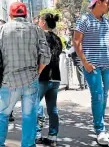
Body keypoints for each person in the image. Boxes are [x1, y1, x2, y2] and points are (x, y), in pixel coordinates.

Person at [0, 2, 51, 147]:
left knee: (2, 116)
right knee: (29, 117)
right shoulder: (36, 29)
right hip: (31, 80)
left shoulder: (1, 30)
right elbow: (46, 56)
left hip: (9, 81)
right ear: (26, 14)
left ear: (10, 15)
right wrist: (38, 71)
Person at [73, 0, 109, 146]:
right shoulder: (84, 19)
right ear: (98, 3)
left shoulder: (106, 22)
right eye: (108, 2)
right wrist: (85, 63)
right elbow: (76, 42)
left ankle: (102, 125)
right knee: (97, 96)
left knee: (104, 95)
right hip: (92, 65)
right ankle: (100, 129)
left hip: (106, 66)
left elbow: (108, 42)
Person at [35, 13, 62, 146]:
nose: (38, 22)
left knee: (33, 105)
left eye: (39, 20)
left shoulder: (40, 37)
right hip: (56, 78)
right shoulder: (58, 39)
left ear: (44, 22)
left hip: (42, 77)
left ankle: (37, 134)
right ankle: (53, 136)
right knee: (53, 108)